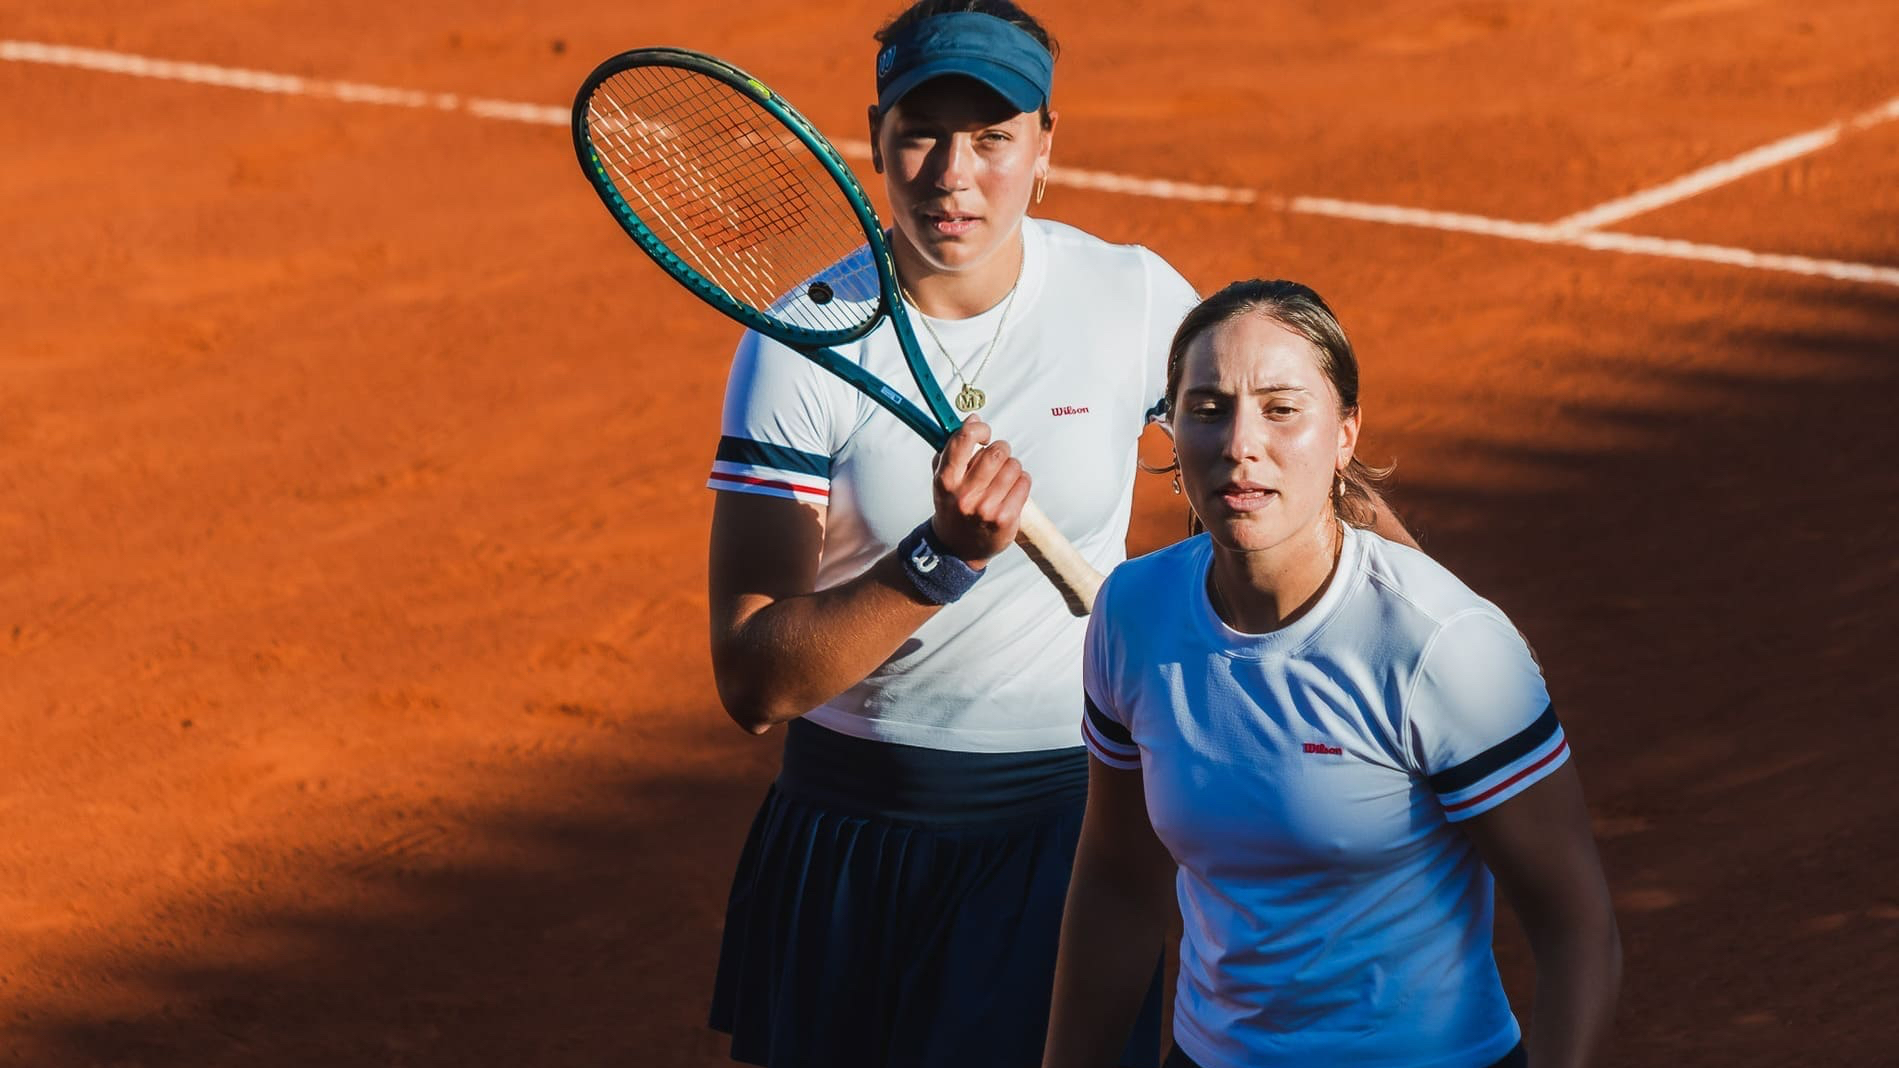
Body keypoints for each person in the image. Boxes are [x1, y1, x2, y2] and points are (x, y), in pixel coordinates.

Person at [701, 3, 1199, 1065]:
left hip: (1066, 841)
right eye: (921, 133)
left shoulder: (1129, 299)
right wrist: (937, 562)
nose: (952, 175)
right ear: (875, 136)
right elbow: (752, 680)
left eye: (992, 138)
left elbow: (1262, 471)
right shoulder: (800, 344)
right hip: (852, 845)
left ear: (1045, 146)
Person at [1044, 280, 1622, 1068]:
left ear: (1345, 433)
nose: (1240, 444)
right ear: (1171, 432)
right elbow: (1117, 878)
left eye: (1281, 409)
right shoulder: (1133, 614)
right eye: (1207, 409)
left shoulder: (1440, 644)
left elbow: (1574, 926)